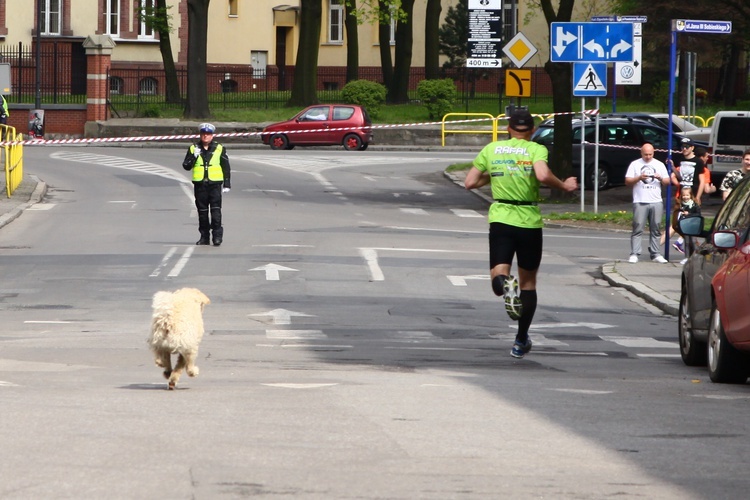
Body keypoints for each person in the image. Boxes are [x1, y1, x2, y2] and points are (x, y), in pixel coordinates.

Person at [464, 109, 577, 359]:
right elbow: (542, 175)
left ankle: (506, 285)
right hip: (529, 221)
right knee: (528, 284)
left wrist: (496, 174)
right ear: (533, 130)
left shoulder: (492, 150)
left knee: (498, 278)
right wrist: (564, 185)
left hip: (501, 218)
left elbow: (470, 182)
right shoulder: (536, 149)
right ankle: (520, 339)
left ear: (508, 128)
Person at [182, 123, 231, 246]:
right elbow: (186, 166)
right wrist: (193, 156)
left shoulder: (219, 148)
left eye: (208, 134)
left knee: (216, 212)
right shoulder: (193, 148)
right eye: (203, 134)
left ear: (212, 136)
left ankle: (217, 237)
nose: (205, 136)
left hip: (214, 185)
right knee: (202, 213)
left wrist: (227, 183)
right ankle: (204, 237)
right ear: (200, 135)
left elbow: (226, 167)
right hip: (200, 186)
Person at [625, 143, 670, 264]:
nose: (648, 157)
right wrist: (639, 178)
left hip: (656, 200)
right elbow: (627, 181)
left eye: (650, 154)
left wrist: (660, 178)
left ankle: (655, 253)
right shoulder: (635, 164)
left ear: (653, 153)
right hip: (640, 200)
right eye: (646, 154)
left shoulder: (659, 164)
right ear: (641, 153)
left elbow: (667, 181)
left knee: (656, 228)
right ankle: (634, 253)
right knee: (638, 227)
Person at [668, 137, 705, 203]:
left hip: (693, 193)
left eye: (687, 147)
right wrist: (673, 167)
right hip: (682, 194)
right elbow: (681, 177)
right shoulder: (680, 159)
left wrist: (698, 197)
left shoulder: (698, 161)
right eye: (682, 147)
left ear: (692, 148)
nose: (684, 149)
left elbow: (702, 181)